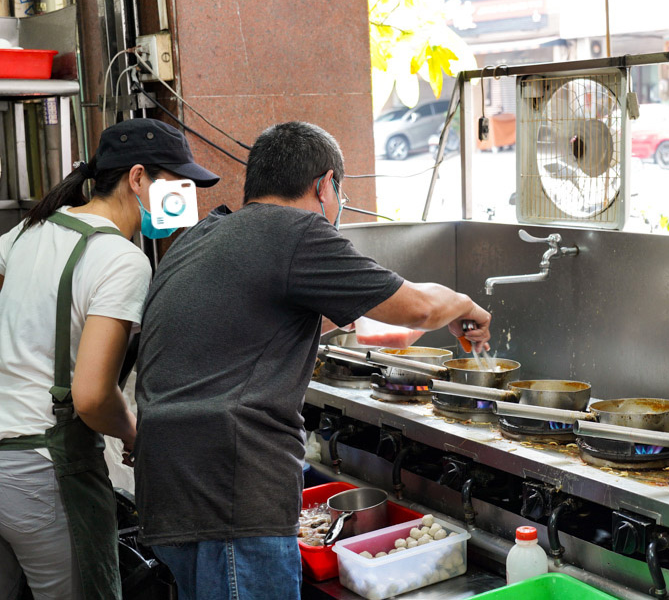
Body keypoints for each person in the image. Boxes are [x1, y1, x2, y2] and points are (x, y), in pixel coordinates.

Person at [134, 121, 491, 599]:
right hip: (234, 493)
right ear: (326, 186)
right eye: (338, 191)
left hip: (168, 490)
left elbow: (262, 323)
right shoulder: (296, 230)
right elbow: (420, 307)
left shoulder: (202, 236)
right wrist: (466, 304)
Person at [0, 118, 219, 600]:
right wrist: (135, 433)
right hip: (44, 471)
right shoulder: (121, 259)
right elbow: (94, 396)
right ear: (137, 178)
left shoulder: (26, 232)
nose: (186, 195)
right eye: (177, 182)